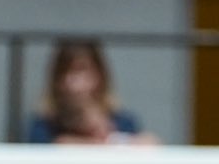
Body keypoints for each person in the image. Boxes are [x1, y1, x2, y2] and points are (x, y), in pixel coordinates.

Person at [26, 39, 159, 146]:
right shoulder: (43, 126)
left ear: (99, 75)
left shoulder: (123, 122)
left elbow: (147, 145)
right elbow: (52, 149)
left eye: (81, 71)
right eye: (64, 72)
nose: (72, 82)